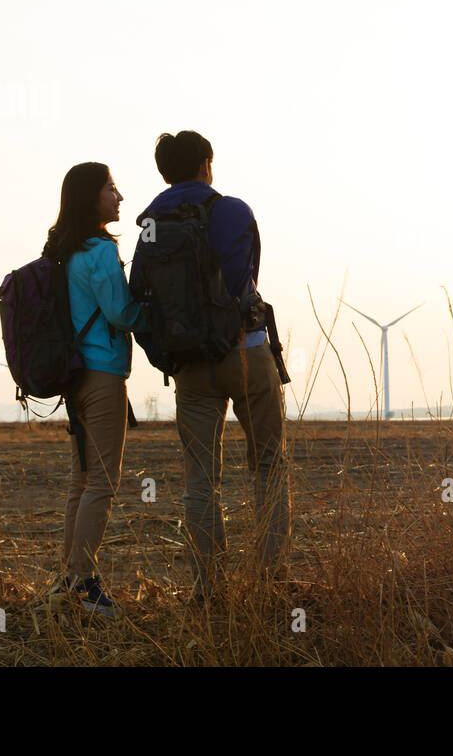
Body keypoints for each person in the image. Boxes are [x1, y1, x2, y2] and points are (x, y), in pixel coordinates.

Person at [134, 131, 290, 601]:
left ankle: (208, 589)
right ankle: (270, 582)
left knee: (201, 477)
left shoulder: (151, 222)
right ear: (207, 163)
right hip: (247, 350)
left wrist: (164, 352)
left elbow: (138, 293)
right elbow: (249, 277)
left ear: (164, 172)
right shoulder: (234, 210)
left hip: (190, 366)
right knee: (269, 465)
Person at [42, 162, 146, 618]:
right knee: (102, 484)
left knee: (80, 482)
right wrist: (154, 314)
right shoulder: (101, 250)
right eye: (111, 188)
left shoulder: (65, 251)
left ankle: (67, 581)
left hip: (75, 376)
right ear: (91, 197)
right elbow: (121, 314)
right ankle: (84, 584)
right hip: (104, 375)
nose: (119, 196)